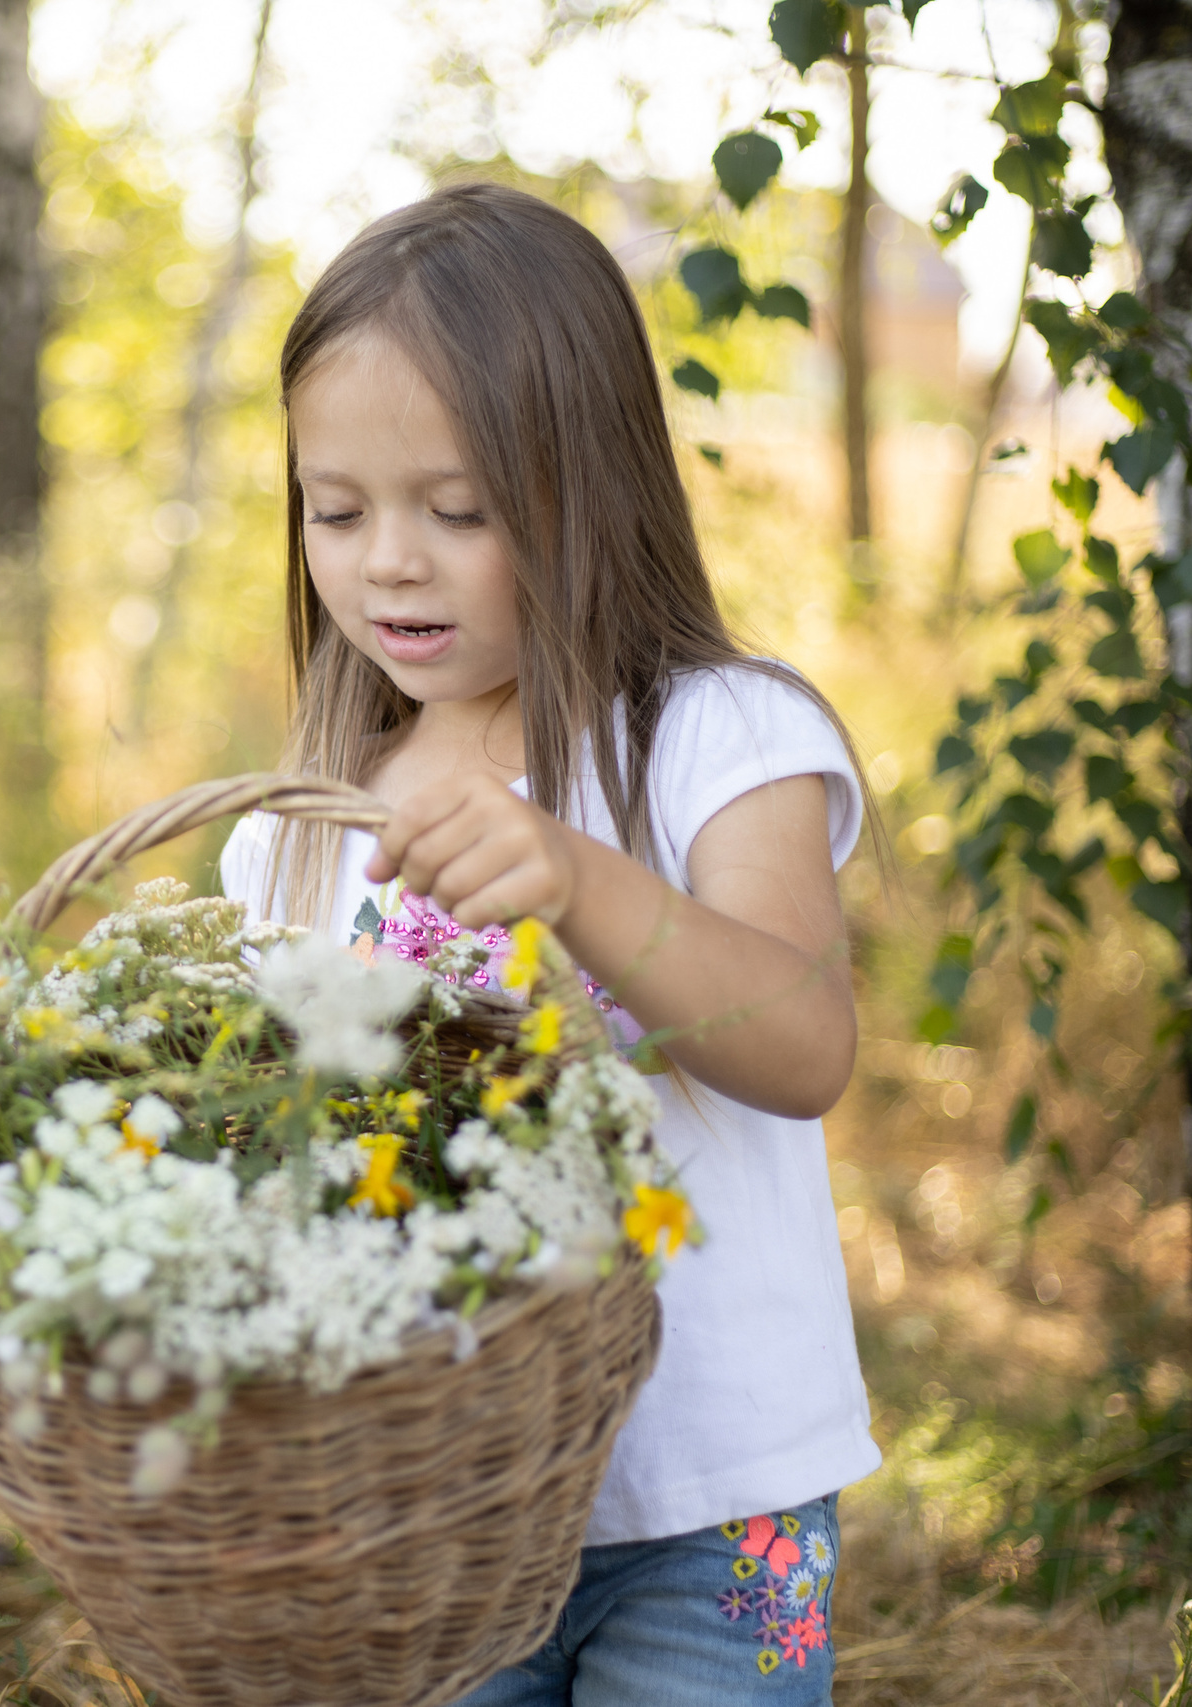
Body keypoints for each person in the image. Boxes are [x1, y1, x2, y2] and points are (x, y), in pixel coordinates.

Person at [218, 181, 877, 1704]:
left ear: (589, 488)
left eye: (458, 510)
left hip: (718, 1503)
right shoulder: (303, 831)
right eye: (338, 509)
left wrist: (579, 879)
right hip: (433, 1501)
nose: (390, 561)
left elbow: (804, 1047)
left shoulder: (717, 737)